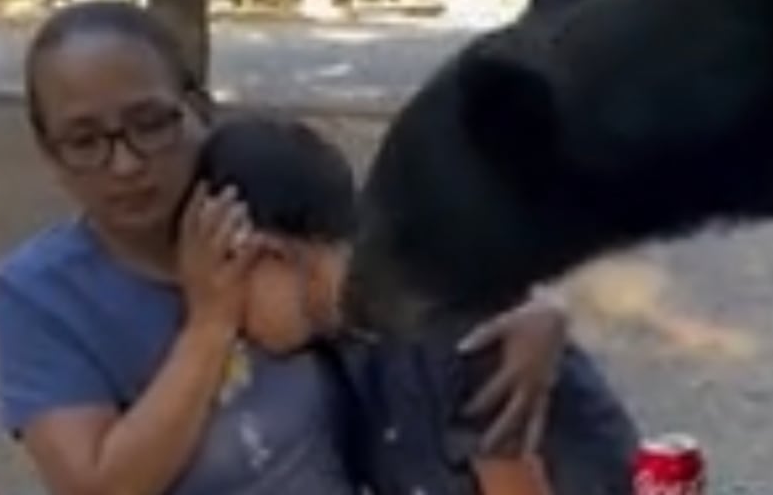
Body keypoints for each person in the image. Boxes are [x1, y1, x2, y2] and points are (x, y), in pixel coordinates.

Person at [0, 0, 585, 494]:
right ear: (50, 153)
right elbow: (97, 486)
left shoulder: (263, 190)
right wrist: (209, 326)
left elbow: (401, 262)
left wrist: (535, 309)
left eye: (149, 124)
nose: (126, 163)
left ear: (197, 110)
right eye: (85, 140)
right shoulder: (40, 294)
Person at [200, 113, 639, 494]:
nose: (228, 316)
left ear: (269, 253)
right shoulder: (343, 341)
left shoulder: (451, 322)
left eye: (226, 280)